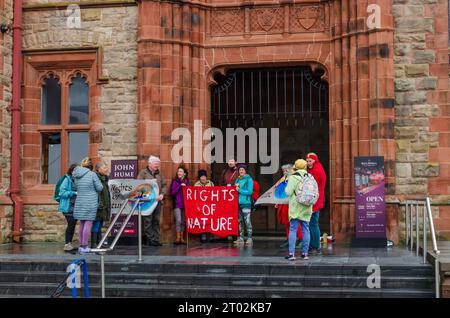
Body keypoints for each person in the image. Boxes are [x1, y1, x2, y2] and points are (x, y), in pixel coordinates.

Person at [73, 157, 103, 254]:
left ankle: (81, 245)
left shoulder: (76, 175)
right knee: (88, 223)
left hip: (80, 201)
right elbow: (100, 188)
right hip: (90, 202)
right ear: (91, 166)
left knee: (82, 223)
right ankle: (85, 246)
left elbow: (76, 187)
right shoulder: (92, 174)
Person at [284, 159, 313, 261]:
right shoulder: (310, 177)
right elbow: (315, 193)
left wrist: (287, 183)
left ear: (295, 167)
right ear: (305, 166)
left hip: (295, 207)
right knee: (306, 229)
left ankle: (291, 254)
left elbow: (287, 192)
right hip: (307, 206)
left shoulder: (293, 177)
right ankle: (305, 254)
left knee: (293, 229)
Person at [137, 155, 167, 246]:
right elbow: (139, 185)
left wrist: (162, 194)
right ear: (149, 163)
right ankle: (150, 239)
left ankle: (156, 239)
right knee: (148, 221)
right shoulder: (143, 173)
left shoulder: (160, 174)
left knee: (156, 220)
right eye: (155, 163)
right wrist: (150, 195)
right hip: (148, 201)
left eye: (158, 163)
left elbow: (164, 185)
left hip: (157, 202)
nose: (157, 165)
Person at [276, 164, 302, 248]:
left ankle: (300, 238)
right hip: (284, 203)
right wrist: (277, 201)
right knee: (287, 222)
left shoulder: (294, 178)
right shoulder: (283, 179)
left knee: (294, 221)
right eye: (283, 170)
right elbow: (277, 190)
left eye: (286, 170)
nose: (285, 172)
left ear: (291, 170)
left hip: (292, 203)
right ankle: (289, 239)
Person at [306, 152, 327, 255]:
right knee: (310, 224)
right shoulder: (312, 169)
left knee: (313, 224)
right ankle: (312, 245)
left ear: (315, 161)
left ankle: (316, 246)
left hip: (315, 200)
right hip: (312, 199)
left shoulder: (317, 170)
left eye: (310, 161)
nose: (308, 163)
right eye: (307, 161)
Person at [91, 162, 111, 249]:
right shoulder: (96, 178)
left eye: (106, 167)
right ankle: (94, 244)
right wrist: (100, 204)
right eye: (104, 168)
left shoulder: (104, 178)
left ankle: (99, 242)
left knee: (99, 224)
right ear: (98, 169)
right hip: (98, 206)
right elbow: (96, 192)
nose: (106, 169)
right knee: (96, 224)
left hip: (104, 206)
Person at [58, 163, 78, 252]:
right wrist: (73, 193)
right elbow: (62, 192)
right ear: (71, 171)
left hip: (76, 207)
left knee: (73, 225)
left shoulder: (77, 180)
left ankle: (69, 243)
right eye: (74, 170)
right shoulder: (67, 179)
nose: (75, 172)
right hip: (68, 207)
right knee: (70, 225)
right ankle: (67, 244)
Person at [233, 164, 254, 246]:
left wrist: (239, 190)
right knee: (240, 221)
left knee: (247, 221)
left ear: (245, 171)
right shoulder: (237, 179)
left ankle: (249, 238)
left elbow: (249, 191)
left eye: (242, 170)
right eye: (240, 170)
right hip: (238, 204)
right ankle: (241, 238)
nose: (241, 171)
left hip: (246, 203)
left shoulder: (249, 179)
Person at [170, 166, 190, 245]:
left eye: (181, 171)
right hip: (177, 204)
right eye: (178, 171)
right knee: (178, 220)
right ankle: (177, 237)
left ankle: (182, 238)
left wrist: (186, 186)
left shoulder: (187, 181)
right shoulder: (175, 181)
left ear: (184, 174)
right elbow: (172, 192)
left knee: (183, 221)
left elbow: (190, 191)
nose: (179, 173)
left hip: (185, 204)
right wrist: (180, 186)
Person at [194, 169, 214, 243]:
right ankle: (202, 236)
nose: (203, 178)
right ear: (199, 178)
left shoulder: (211, 184)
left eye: (204, 176)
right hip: (200, 206)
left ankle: (208, 236)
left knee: (208, 221)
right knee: (201, 221)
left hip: (209, 206)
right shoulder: (196, 185)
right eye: (201, 177)